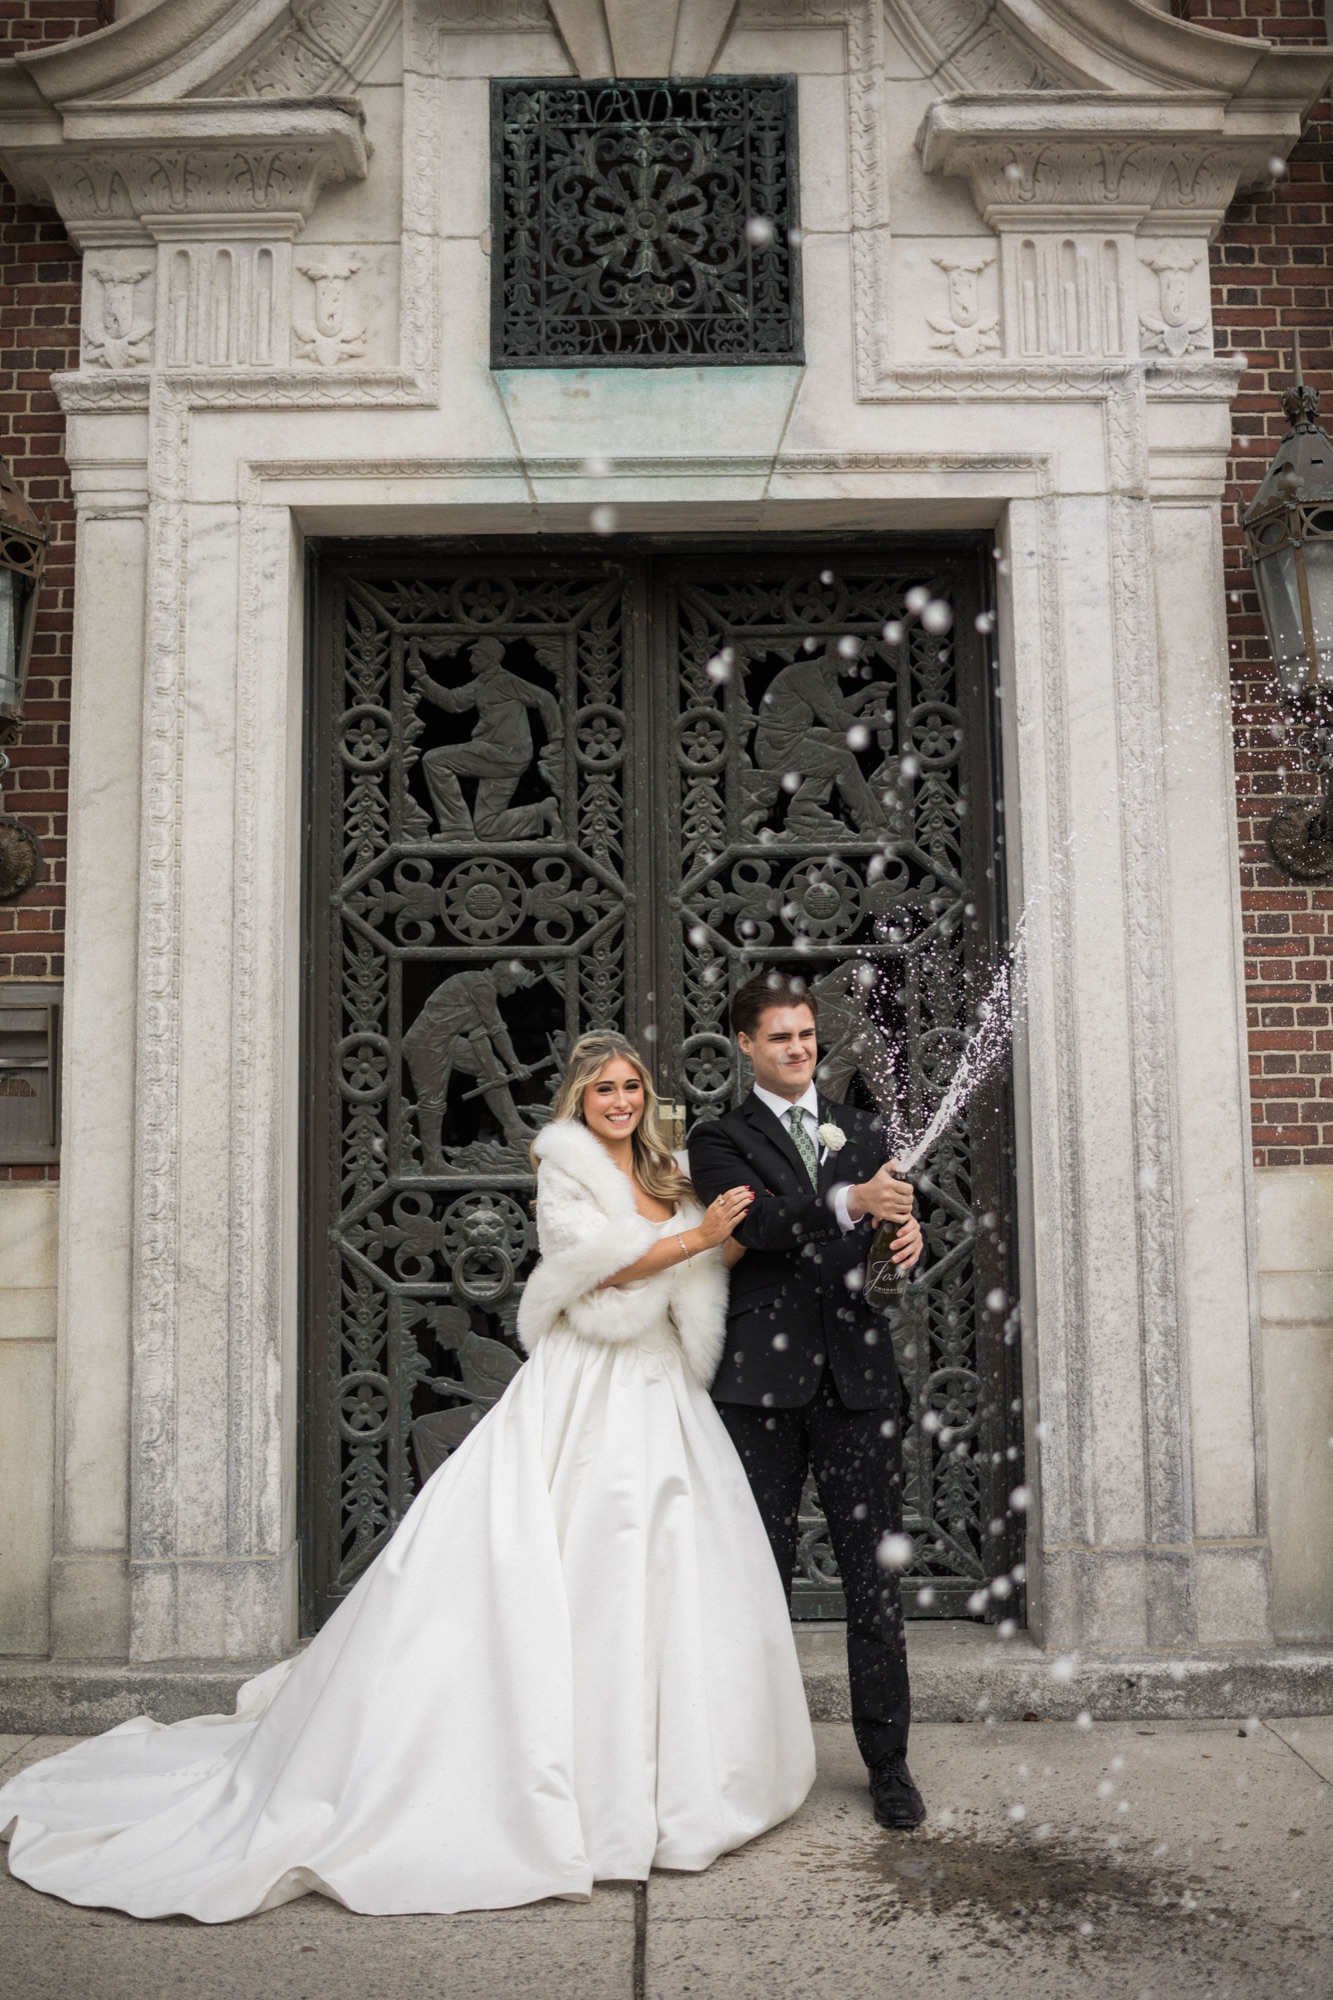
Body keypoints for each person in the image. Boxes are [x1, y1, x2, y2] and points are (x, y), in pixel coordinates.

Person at [0, 1034, 813, 1922]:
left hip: (662, 1385)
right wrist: (692, 1232)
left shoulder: (665, 1173)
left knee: (665, 1563)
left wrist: (721, 1238)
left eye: (630, 1088)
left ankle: (672, 1780)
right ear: (578, 1100)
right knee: (578, 1546)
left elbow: (691, 1264)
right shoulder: (564, 1170)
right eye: (604, 1089)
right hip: (588, 1381)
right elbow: (596, 1269)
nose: (619, 1101)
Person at [687, 968, 927, 1830]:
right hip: (759, 1393)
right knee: (756, 1585)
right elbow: (754, 1227)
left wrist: (903, 1237)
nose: (798, 1049)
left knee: (873, 1584)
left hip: (859, 1387)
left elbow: (884, 1229)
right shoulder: (717, 1137)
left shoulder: (861, 1130)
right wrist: (846, 1201)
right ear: (746, 1046)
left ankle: (889, 1766)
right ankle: (747, 1766)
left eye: (806, 1035)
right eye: (780, 1037)